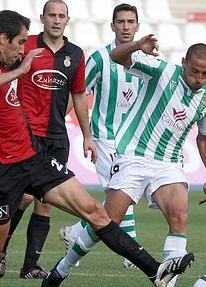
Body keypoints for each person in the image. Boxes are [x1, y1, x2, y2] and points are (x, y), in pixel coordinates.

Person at [0, 10, 193, 287]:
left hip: (35, 158)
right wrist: (18, 70)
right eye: (20, 42)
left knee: (95, 211)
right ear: (3, 39)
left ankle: (155, 271)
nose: (23, 49)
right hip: (3, 168)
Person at [43, 37, 206, 287]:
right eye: (194, 71)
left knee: (179, 215)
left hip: (168, 163)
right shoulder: (162, 71)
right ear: (183, 64)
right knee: (106, 221)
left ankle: (167, 283)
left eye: (205, 73)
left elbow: (204, 137)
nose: (199, 78)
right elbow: (116, 57)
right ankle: (62, 269)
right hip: (133, 156)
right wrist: (137, 47)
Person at [0, 0, 97, 279]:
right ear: (43, 18)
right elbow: (1, 66)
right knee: (23, 197)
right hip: (27, 135)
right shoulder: (28, 46)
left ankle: (30, 265)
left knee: (45, 202)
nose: (56, 20)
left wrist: (87, 136)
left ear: (67, 20)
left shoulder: (75, 54)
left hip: (57, 137)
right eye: (52, 15)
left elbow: (79, 95)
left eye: (61, 16)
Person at [58, 3, 143, 269]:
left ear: (137, 26)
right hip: (104, 138)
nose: (126, 27)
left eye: (131, 22)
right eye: (121, 22)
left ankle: (76, 232)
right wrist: (57, 120)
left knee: (120, 196)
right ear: (113, 26)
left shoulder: (145, 60)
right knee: (122, 192)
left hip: (132, 143)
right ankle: (131, 249)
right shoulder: (99, 59)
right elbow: (79, 92)